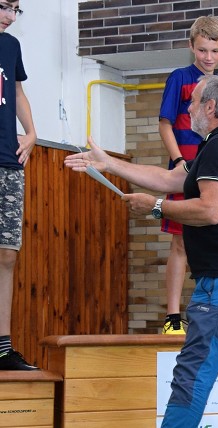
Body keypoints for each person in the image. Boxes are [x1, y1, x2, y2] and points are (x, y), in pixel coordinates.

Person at [65, 75, 218, 428]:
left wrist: (156, 207)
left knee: (192, 371)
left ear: (210, 107)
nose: (188, 108)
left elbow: (209, 210)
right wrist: (110, 163)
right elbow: (169, 180)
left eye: (194, 102)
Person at [158, 15, 218, 335]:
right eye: (202, 50)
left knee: (213, 239)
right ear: (191, 47)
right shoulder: (180, 78)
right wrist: (177, 160)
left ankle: (210, 311)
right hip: (184, 168)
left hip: (213, 172)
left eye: (214, 50)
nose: (208, 57)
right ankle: (173, 317)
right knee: (181, 243)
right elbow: (165, 124)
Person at [0, 0, 39, 371]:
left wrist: (31, 131)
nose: (10, 17)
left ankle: (2, 348)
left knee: (7, 254)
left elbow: (17, 91)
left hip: (8, 159)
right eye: (4, 7)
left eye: (15, 9)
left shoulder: (11, 45)